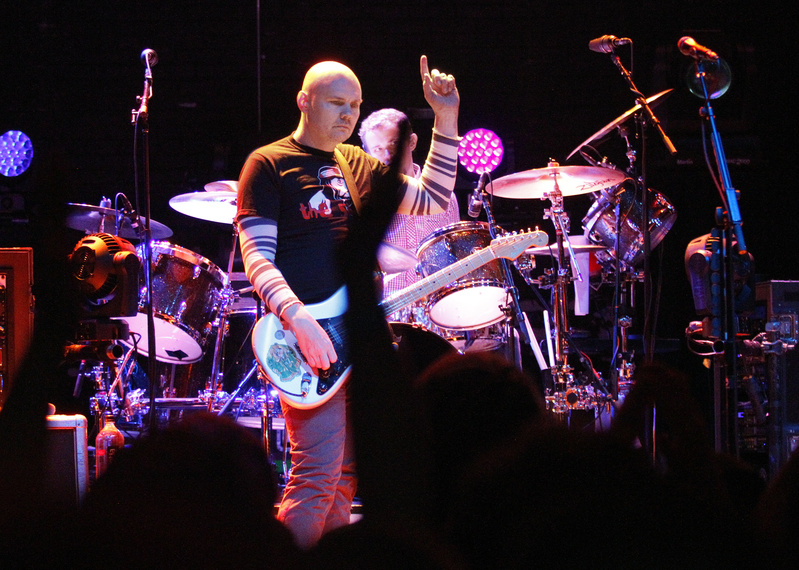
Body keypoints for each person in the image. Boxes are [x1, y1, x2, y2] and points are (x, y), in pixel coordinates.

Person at [235, 55, 460, 549]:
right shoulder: (268, 163)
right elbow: (256, 259)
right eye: (337, 103)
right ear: (304, 101)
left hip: (358, 340)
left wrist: (445, 118)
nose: (348, 115)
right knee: (316, 478)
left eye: (355, 106)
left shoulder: (355, 163)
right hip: (307, 339)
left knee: (344, 485)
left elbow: (434, 197)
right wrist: (298, 321)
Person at [358, 108, 460, 299]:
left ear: (411, 142)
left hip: (436, 309)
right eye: (378, 149)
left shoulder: (446, 198)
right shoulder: (363, 200)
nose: (387, 155)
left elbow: (453, 259)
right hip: (387, 311)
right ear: (367, 154)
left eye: (394, 143)